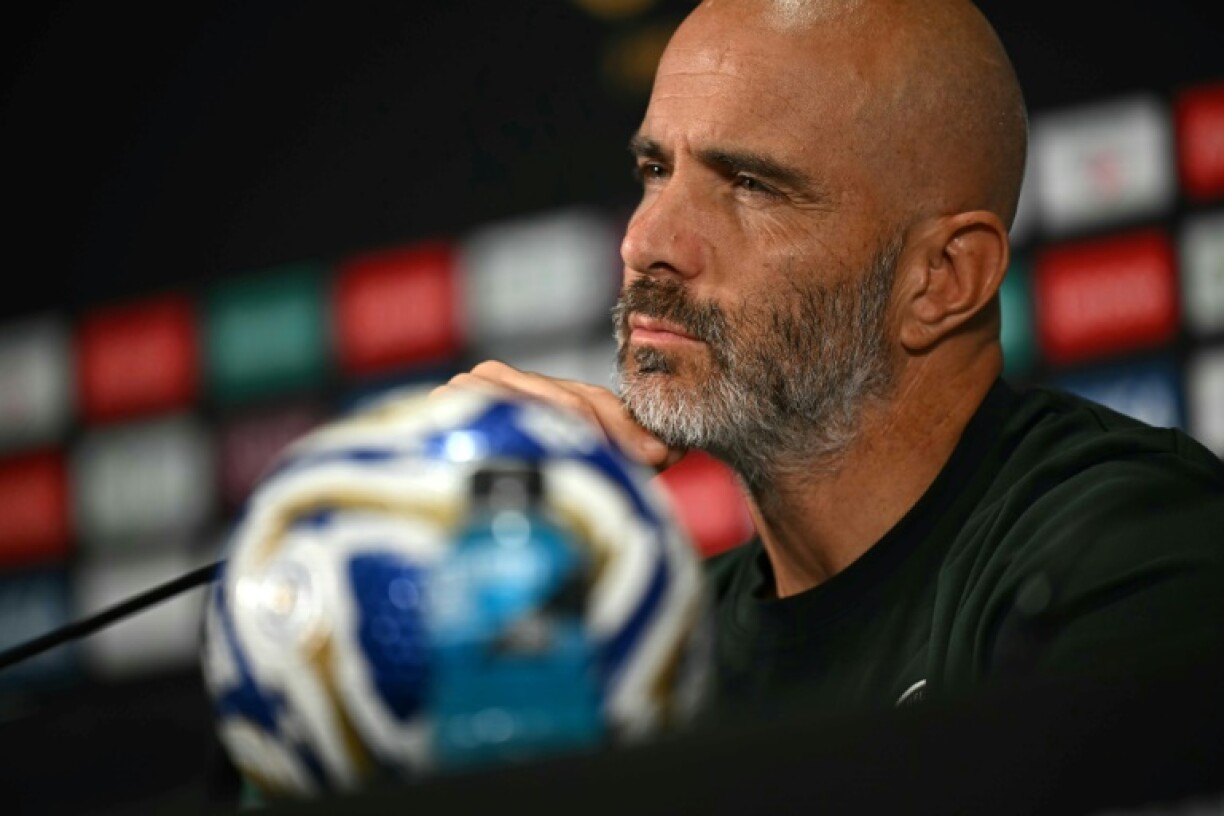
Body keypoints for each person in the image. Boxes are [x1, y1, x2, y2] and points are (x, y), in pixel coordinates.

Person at [435, 0, 1224, 718]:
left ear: (943, 278)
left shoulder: (1134, 560)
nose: (645, 244)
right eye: (654, 171)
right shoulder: (663, 653)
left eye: (749, 184)